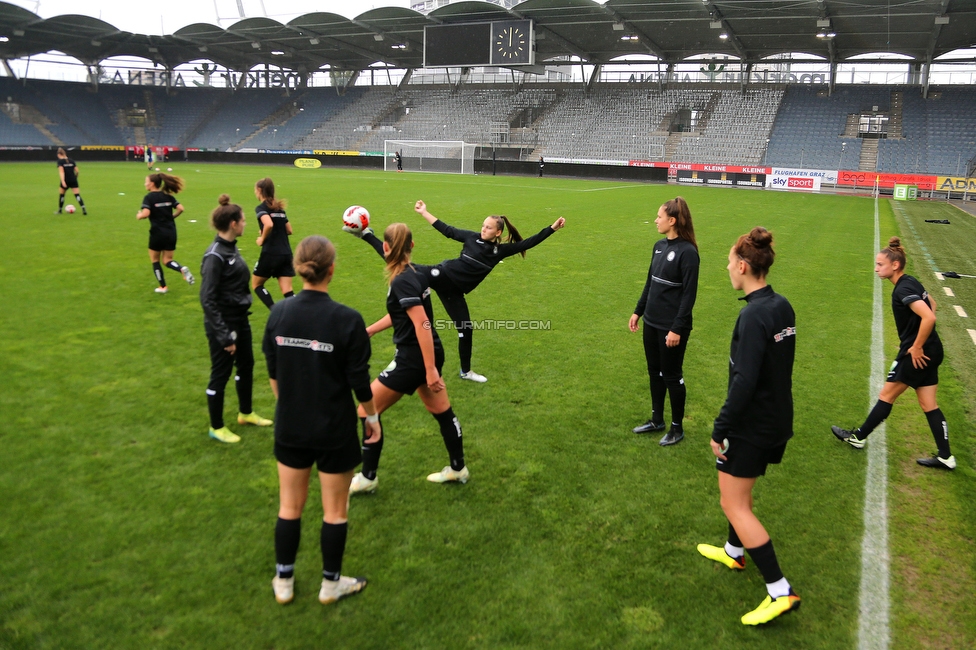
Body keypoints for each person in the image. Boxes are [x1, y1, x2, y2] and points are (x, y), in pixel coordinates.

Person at [263, 235, 379, 606]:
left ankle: (284, 582)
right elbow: (360, 382)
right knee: (335, 510)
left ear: (299, 268)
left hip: (291, 427)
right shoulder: (348, 319)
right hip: (335, 428)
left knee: (289, 507)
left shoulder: (278, 313)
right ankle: (330, 585)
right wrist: (372, 418)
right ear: (332, 270)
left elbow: (274, 375)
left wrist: (292, 405)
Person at [697, 227, 800, 626]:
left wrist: (721, 427)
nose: (727, 269)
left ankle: (780, 590)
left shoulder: (753, 314)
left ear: (743, 266)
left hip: (751, 424)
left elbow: (745, 380)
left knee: (733, 503)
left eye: (728, 263)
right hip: (776, 417)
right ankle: (733, 552)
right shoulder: (781, 305)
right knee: (742, 494)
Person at [347, 200, 566, 383]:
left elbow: (529, 242)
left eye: (489, 228)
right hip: (441, 275)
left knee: (466, 329)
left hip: (454, 292)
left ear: (498, 232)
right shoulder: (471, 238)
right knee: (401, 267)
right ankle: (366, 235)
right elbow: (447, 230)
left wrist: (552, 229)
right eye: (483, 225)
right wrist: (424, 212)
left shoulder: (500, 251)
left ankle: (465, 371)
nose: (484, 229)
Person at [348, 223, 469, 494]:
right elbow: (402, 314)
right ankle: (459, 468)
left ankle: (368, 477)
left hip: (414, 358)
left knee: (366, 410)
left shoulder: (402, 280)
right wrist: (370, 330)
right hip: (429, 352)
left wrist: (428, 370)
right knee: (442, 411)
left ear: (388, 248)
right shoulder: (415, 273)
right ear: (412, 247)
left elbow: (421, 323)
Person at [831, 237, 955, 469]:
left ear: (894, 265)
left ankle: (858, 437)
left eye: (880, 264)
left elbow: (930, 316)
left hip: (920, 353)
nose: (876, 268)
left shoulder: (903, 288)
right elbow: (933, 304)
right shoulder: (910, 282)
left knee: (887, 394)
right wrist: (915, 336)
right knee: (929, 403)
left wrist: (916, 345)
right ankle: (946, 456)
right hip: (933, 350)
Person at [199, 194, 273, 444]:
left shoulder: (230, 247)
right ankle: (216, 426)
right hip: (223, 324)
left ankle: (246, 413)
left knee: (247, 366)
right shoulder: (215, 256)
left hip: (241, 319)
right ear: (233, 224)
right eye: (242, 220)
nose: (245, 223)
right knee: (220, 373)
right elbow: (207, 299)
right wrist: (223, 335)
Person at [629, 197, 700, 446]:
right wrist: (638, 311)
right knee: (654, 372)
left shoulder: (688, 253)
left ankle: (676, 428)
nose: (656, 220)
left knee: (672, 375)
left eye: (659, 217)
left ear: (672, 220)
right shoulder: (659, 246)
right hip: (653, 321)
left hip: (672, 328)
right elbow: (651, 282)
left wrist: (677, 328)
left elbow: (689, 295)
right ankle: (656, 420)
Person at [136, 172, 194, 294]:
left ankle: (163, 287)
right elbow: (181, 208)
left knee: (155, 260)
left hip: (157, 233)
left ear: (152, 184)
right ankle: (181, 269)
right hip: (171, 232)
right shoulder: (168, 196)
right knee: (167, 260)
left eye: (146, 181)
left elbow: (146, 214)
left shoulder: (149, 198)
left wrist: (139, 215)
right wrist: (172, 217)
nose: (144, 184)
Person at [251, 177, 295, 309]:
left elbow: (269, 224)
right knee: (287, 291)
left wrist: (262, 239)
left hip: (271, 253)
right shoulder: (279, 208)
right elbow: (289, 230)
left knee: (257, 285)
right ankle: (300, 314)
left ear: (259, 190)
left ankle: (275, 312)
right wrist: (265, 230)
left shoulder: (261, 208)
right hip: (286, 253)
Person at [56, 148, 86, 215]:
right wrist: (75, 178)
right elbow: (77, 171)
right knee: (77, 195)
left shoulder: (60, 161)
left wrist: (63, 181)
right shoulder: (71, 160)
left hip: (66, 180)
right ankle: (84, 209)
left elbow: (61, 172)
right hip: (73, 180)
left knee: (62, 195)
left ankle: (60, 210)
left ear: (59, 154)